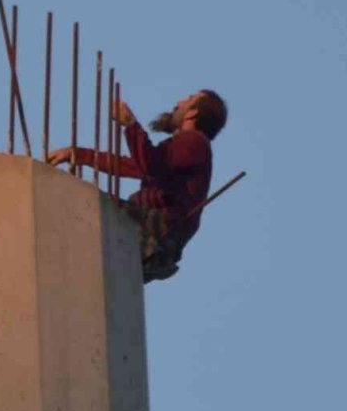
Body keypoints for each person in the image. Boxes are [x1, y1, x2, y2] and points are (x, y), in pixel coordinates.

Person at [48, 89, 228, 282]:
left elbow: (149, 164)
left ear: (193, 113)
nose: (179, 101)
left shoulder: (193, 141)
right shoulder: (182, 148)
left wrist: (130, 124)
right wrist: (78, 154)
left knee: (83, 204)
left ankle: (147, 253)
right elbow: (134, 165)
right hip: (163, 236)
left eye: (189, 99)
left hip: (159, 226)